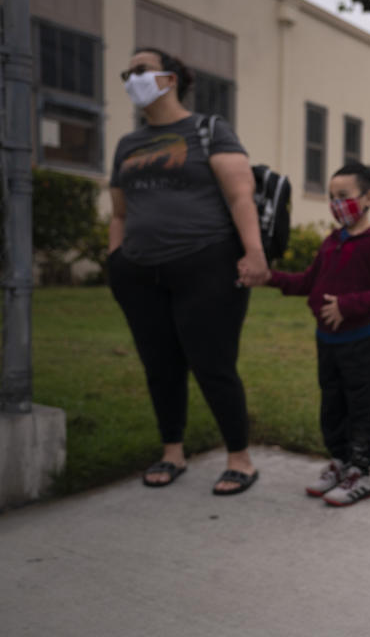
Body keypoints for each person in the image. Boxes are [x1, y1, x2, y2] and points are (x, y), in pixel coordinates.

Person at [108, 48, 267, 495]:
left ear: (169, 78)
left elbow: (241, 196)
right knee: (159, 365)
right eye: (127, 72)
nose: (131, 78)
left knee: (212, 363)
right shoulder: (127, 144)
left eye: (139, 70)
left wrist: (254, 253)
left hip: (206, 265)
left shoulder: (208, 129)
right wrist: (114, 260)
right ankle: (171, 451)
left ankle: (240, 458)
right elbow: (119, 212)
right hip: (138, 271)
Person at [251, 163, 370, 506]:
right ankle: (340, 462)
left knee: (359, 408)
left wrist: (348, 305)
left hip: (358, 344)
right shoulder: (331, 242)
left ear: (369, 198)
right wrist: (268, 277)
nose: (337, 204)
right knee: (332, 406)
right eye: (332, 197)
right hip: (326, 344)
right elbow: (307, 282)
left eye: (344, 196)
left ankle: (360, 473)